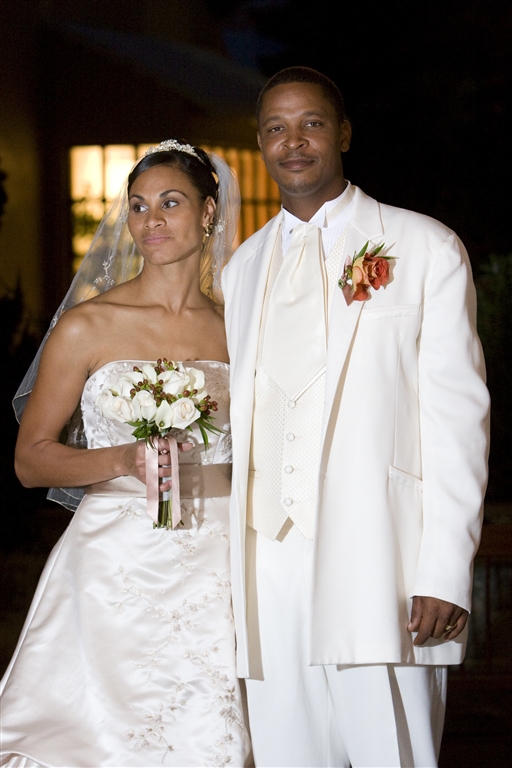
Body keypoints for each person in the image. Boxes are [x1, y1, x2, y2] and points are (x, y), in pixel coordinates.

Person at [221, 67, 490, 767]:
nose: (293, 142)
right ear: (260, 143)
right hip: (266, 564)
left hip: (382, 558)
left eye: (310, 123)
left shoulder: (424, 245)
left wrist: (444, 570)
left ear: (342, 133)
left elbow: (458, 419)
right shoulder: (241, 268)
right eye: (276, 128)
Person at [0, 140, 251, 768]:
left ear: (209, 212)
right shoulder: (87, 325)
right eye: (138, 206)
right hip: (114, 563)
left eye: (171, 202)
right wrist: (121, 460)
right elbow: (31, 461)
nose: (151, 220)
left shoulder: (241, 329)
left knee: (212, 735)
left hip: (222, 561)